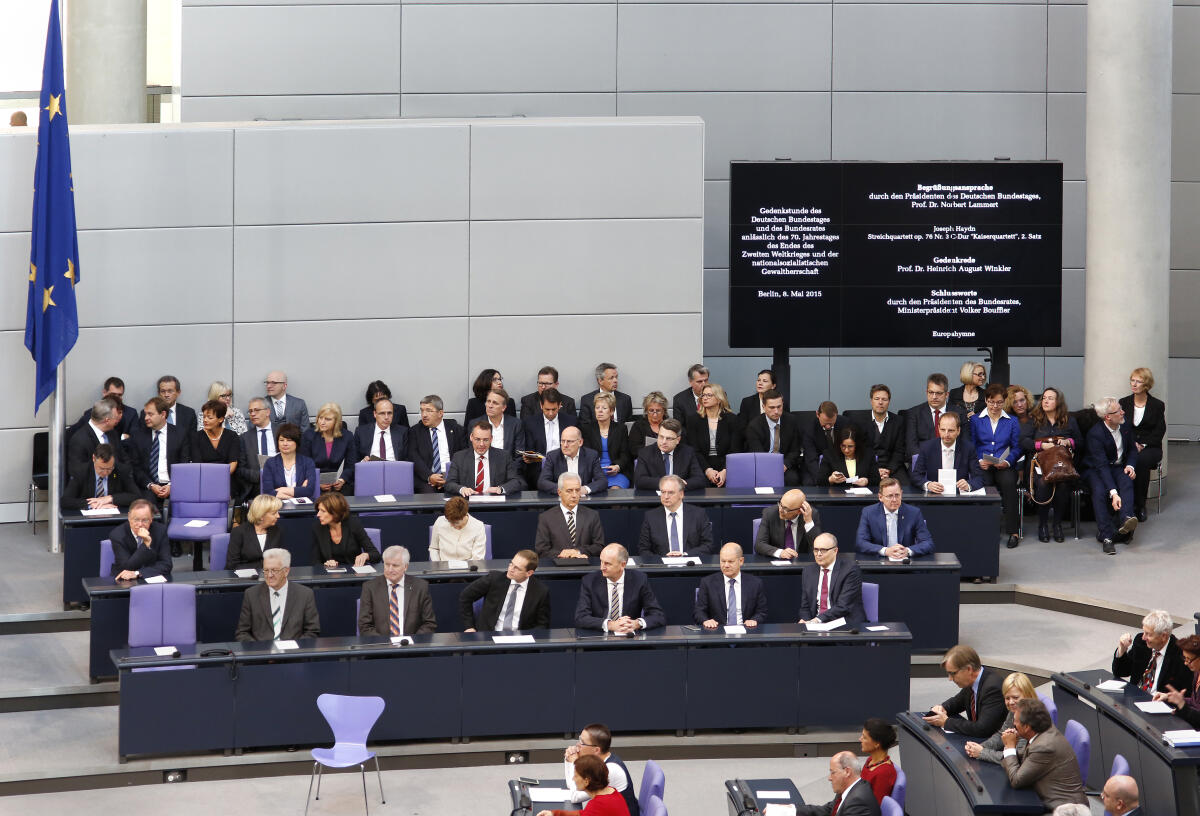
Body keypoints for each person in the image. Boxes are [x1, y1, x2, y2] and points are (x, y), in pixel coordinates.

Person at [1000, 698, 1089, 811]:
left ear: (1027, 727)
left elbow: (1016, 780)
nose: (1013, 724)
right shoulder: (1044, 730)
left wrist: (1010, 746)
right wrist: (1010, 746)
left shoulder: (1044, 747)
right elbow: (1022, 758)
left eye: (1015, 721)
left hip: (1064, 810)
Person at [1020, 386, 1080, 544]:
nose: (1045, 401)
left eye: (1050, 398)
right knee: (1044, 483)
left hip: (1062, 466)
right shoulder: (1033, 419)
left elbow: (1081, 442)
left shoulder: (1069, 420)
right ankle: (1043, 525)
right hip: (1039, 465)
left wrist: (1069, 442)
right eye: (1044, 398)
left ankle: (1057, 524)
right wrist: (1041, 446)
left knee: (1062, 483)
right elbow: (1023, 442)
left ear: (1058, 402)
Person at [1086, 397, 1140, 554]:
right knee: (1100, 491)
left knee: (1126, 481)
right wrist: (1114, 493)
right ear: (1107, 417)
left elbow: (1132, 450)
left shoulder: (1125, 426)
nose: (1123, 412)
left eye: (1121, 408)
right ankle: (1107, 537)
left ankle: (1126, 520)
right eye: (1118, 411)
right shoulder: (1095, 434)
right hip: (1095, 469)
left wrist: (1130, 466)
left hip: (1117, 466)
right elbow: (1101, 466)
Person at [971, 384, 1022, 548]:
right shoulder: (976, 420)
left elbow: (1017, 447)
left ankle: (1013, 531)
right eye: (992, 402)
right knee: (982, 487)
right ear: (986, 400)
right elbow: (972, 445)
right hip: (983, 465)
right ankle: (985, 530)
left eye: (999, 403)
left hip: (1004, 465)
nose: (995, 406)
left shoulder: (1012, 421)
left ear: (1004, 402)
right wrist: (979, 460)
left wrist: (1007, 461)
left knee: (1009, 485)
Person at [574, 543, 665, 632]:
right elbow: (581, 617)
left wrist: (636, 623)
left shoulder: (639, 579)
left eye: (607, 564)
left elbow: (658, 615)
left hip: (630, 637)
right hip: (600, 637)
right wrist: (610, 625)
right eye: (601, 561)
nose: (602, 567)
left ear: (623, 565)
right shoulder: (590, 581)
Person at [234, 548, 320, 641]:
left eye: (274, 570)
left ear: (286, 571)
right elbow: (242, 633)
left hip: (293, 653)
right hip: (263, 652)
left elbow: (312, 631)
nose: (269, 575)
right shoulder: (251, 595)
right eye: (266, 570)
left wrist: (295, 648)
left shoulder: (305, 594)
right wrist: (260, 649)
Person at [923, 644, 1007, 737]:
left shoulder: (992, 688)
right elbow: (956, 703)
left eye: (953, 673)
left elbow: (983, 729)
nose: (950, 679)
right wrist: (941, 708)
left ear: (969, 669)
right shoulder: (971, 682)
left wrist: (946, 722)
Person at [458, 549, 550, 631]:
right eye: (511, 563)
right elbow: (465, 596)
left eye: (517, 568)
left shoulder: (540, 591)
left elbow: (542, 624)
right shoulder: (494, 579)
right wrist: (469, 626)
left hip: (519, 643)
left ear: (529, 573)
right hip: (489, 638)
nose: (510, 569)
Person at [560, 725, 639, 816]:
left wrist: (575, 763)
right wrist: (568, 759)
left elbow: (575, 797)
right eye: (579, 739)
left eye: (582, 742)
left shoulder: (609, 770)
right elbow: (572, 785)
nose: (577, 745)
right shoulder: (597, 763)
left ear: (596, 750)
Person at [357, 545, 436, 636]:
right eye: (387, 564)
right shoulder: (370, 587)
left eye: (395, 565)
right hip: (381, 647)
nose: (390, 569)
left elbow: (429, 624)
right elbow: (364, 626)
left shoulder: (420, 587)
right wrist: (385, 644)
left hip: (411, 647)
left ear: (405, 567)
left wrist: (412, 642)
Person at [1119, 367, 1165, 522]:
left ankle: (1140, 505)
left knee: (1141, 460)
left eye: (1138, 381)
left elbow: (1159, 431)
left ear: (1146, 384)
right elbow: (1121, 428)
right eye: (1132, 380)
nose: (1134, 384)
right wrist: (1133, 444)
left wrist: (1143, 444)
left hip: (1151, 447)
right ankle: (1126, 504)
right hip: (1129, 444)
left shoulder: (1157, 405)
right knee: (1124, 458)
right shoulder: (1123, 403)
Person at [126, 396, 191, 506]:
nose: (146, 418)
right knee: (147, 508)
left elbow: (184, 463)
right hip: (149, 487)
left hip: (174, 485)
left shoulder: (180, 434)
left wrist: (171, 485)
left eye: (150, 414)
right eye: (145, 414)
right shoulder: (138, 436)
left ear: (163, 414)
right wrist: (151, 485)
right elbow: (135, 467)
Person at [1112, 608, 1194, 693]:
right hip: (1133, 697)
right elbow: (1121, 671)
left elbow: (1185, 693)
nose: (1143, 637)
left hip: (1159, 703)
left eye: (1148, 634)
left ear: (1163, 636)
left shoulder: (1181, 655)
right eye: (1144, 632)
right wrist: (1122, 648)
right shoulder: (1141, 643)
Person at [963, 671, 1038, 763]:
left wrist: (982, 752)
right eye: (1007, 698)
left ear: (1027, 695)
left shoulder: (1032, 719)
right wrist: (979, 747)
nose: (1010, 702)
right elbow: (1001, 736)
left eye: (1015, 697)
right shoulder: (1015, 710)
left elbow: (1018, 759)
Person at [855, 477, 935, 558]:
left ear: (901, 494)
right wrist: (886, 551)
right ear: (880, 497)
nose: (894, 499)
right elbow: (861, 543)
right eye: (889, 496)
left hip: (905, 564)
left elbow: (928, 543)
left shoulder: (914, 513)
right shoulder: (869, 512)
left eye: (897, 495)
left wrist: (907, 551)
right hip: (879, 563)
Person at [798, 533, 865, 629]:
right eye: (816, 550)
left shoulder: (850, 570)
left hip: (844, 623)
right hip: (816, 624)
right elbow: (805, 606)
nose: (818, 554)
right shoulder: (808, 571)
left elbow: (843, 606)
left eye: (823, 550)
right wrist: (806, 621)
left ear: (835, 550)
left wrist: (816, 621)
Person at [693, 542, 767, 628]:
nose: (726, 565)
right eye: (723, 561)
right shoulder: (707, 583)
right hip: (718, 632)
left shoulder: (755, 583)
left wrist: (754, 620)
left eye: (730, 561)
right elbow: (698, 612)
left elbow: (762, 612)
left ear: (741, 561)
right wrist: (706, 621)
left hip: (746, 632)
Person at [637, 475, 714, 557]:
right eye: (663, 492)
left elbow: (708, 545)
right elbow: (643, 549)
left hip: (690, 566)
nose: (666, 496)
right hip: (662, 567)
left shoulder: (698, 514)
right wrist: (663, 559)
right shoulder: (651, 517)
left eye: (670, 492)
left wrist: (685, 555)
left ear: (681, 494)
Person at [446, 421, 526, 497]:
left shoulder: (504, 456)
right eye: (477, 439)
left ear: (491, 439)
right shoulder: (459, 457)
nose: (481, 444)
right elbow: (449, 483)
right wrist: (462, 489)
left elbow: (516, 481)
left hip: (495, 504)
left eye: (485, 440)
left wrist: (500, 489)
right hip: (468, 504)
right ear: (471, 437)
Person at [534, 473, 605, 558]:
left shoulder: (592, 515)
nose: (574, 495)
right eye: (569, 491)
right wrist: (562, 554)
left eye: (577, 490)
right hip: (557, 567)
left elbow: (599, 546)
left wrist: (578, 551)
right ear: (559, 492)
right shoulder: (546, 518)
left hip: (585, 567)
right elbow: (541, 550)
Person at [742, 389, 804, 485]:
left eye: (779, 407)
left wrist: (785, 465)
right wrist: (771, 468)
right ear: (764, 407)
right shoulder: (754, 426)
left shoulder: (791, 421)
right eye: (772, 407)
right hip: (762, 465)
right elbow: (758, 454)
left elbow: (795, 450)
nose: (776, 411)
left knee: (793, 479)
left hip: (784, 465)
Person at [911, 412, 983, 494]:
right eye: (943, 430)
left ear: (958, 430)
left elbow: (979, 477)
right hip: (934, 497)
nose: (946, 434)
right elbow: (916, 476)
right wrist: (928, 485)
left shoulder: (968, 448)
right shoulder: (927, 447)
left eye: (951, 430)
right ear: (938, 429)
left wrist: (968, 485)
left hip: (959, 498)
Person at [686, 382, 742, 487]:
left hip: (727, 466)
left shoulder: (732, 419)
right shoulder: (694, 420)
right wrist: (707, 470)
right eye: (703, 395)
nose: (705, 398)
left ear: (719, 398)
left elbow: (735, 449)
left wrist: (725, 470)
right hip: (701, 466)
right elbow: (694, 450)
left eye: (709, 395)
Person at [538, 753, 631, 816]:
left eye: (576, 776)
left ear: (586, 781)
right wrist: (554, 813)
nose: (573, 779)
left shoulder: (598, 804)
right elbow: (584, 814)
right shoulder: (611, 791)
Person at [407, 395, 465, 494]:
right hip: (427, 479)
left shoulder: (455, 429)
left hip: (452, 477)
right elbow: (413, 456)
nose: (424, 415)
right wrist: (430, 476)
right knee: (428, 497)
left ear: (440, 413)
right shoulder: (415, 431)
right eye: (422, 410)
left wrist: (451, 476)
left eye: (429, 410)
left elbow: (463, 454)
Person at [849, 384, 906, 484]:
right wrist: (875, 470)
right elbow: (859, 450)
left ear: (889, 402)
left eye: (884, 399)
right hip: (868, 466)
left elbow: (899, 451)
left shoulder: (898, 421)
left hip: (892, 467)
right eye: (877, 399)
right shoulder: (859, 421)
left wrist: (889, 470)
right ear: (871, 401)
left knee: (906, 486)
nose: (880, 402)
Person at [522, 387, 580, 486]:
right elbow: (529, 448)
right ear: (541, 405)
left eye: (554, 409)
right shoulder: (529, 423)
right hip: (539, 468)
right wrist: (528, 457)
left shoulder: (571, 421)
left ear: (560, 405)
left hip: (566, 465)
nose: (551, 413)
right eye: (547, 409)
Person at [795, 751, 881, 816]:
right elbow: (828, 810)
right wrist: (790, 810)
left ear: (847, 771)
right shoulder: (849, 789)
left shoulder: (858, 802)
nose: (830, 778)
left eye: (833, 772)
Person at [632, 418, 706, 491]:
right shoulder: (645, 452)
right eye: (661, 437)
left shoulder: (687, 453)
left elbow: (700, 479)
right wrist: (669, 484)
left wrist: (680, 485)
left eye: (669, 438)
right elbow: (639, 480)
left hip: (680, 498)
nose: (663, 442)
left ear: (678, 440)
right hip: (654, 499)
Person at [311, 492, 382, 567]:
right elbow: (315, 562)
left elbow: (376, 555)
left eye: (323, 511)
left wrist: (366, 555)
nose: (318, 514)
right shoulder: (318, 528)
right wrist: (326, 565)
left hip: (354, 572)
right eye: (318, 510)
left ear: (335, 512)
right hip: (331, 575)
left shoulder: (353, 524)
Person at [108, 499, 172, 581]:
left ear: (151, 519)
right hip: (125, 581)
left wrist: (138, 573)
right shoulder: (117, 535)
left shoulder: (160, 530)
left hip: (151, 578)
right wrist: (145, 544)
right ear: (129, 517)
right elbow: (126, 567)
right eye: (136, 520)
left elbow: (166, 564)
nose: (140, 524)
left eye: (145, 520)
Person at [61, 444, 140, 511]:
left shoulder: (121, 470)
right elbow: (65, 501)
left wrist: (110, 498)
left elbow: (136, 496)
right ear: (93, 459)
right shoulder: (81, 472)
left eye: (109, 469)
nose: (105, 473)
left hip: (114, 517)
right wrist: (94, 505)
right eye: (101, 468)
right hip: (86, 519)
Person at [905, 372, 965, 460]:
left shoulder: (959, 413)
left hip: (952, 460)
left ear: (946, 394)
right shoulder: (914, 413)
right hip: (923, 461)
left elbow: (965, 442)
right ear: (926, 392)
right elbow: (911, 445)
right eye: (931, 392)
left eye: (938, 393)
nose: (934, 397)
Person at [581, 392, 633, 489]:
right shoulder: (588, 429)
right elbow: (586, 454)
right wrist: (596, 469)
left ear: (611, 411)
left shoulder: (621, 428)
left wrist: (617, 466)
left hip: (616, 473)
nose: (600, 411)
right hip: (595, 473)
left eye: (604, 408)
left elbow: (625, 453)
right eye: (597, 408)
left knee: (615, 496)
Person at [303, 402, 357, 493]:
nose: (322, 422)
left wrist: (342, 480)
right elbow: (305, 465)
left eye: (327, 419)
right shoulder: (309, 435)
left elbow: (351, 465)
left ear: (336, 421)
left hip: (339, 483)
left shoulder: (347, 436)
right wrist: (317, 483)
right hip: (315, 481)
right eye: (320, 418)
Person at [538, 425, 608, 494]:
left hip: (583, 499)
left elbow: (602, 481)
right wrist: (565, 490)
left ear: (580, 442)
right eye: (562, 441)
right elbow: (542, 482)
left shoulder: (591, 455)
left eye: (569, 441)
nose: (565, 445)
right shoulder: (553, 456)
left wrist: (585, 489)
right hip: (561, 499)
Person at [753, 488, 821, 559]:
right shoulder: (770, 513)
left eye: (785, 509)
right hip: (776, 564)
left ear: (799, 511)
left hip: (801, 564)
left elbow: (819, 547)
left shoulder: (811, 515)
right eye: (780, 504)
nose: (780, 510)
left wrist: (808, 522)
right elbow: (759, 545)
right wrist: (780, 552)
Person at [67, 397, 123, 478]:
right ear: (107, 420)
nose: (117, 419)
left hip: (116, 483)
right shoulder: (79, 439)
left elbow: (123, 459)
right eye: (115, 417)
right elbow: (77, 471)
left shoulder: (112, 434)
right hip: (92, 487)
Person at [1152, 633, 1200, 728]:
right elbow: (1195, 702)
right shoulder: (1197, 672)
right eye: (1184, 658)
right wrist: (1169, 696)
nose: (1185, 663)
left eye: (1189, 659)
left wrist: (1182, 705)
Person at [68, 376, 138, 440]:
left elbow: (135, 438)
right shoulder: (91, 413)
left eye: (119, 395)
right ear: (104, 392)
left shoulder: (131, 413)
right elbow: (72, 434)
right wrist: (123, 436)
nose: (116, 398)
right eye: (113, 394)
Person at [261, 423, 318, 501]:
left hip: (303, 507)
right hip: (277, 506)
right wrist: (296, 493)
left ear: (297, 442)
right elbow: (268, 492)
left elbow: (309, 490)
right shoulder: (270, 463)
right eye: (281, 440)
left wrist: (281, 490)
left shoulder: (308, 462)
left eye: (289, 440)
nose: (285, 444)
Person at [227, 494, 283, 570]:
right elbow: (232, 565)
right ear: (261, 516)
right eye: (274, 513)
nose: (278, 516)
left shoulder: (276, 531)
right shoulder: (239, 532)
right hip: (244, 578)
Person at [468, 387, 527, 459]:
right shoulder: (475, 424)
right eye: (488, 401)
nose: (490, 406)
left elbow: (519, 456)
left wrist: (510, 469)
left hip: (509, 468)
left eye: (495, 403)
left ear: (503, 407)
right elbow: (472, 454)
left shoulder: (516, 424)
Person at [802, 401, 850, 485]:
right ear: (817, 414)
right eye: (825, 422)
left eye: (831, 423)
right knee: (809, 483)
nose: (828, 426)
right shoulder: (809, 429)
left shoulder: (846, 424)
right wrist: (823, 479)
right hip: (817, 466)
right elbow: (811, 459)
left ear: (836, 415)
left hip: (839, 465)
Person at [429, 495, 489, 561]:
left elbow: (477, 558)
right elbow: (434, 548)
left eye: (456, 523)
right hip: (443, 568)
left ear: (465, 515)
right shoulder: (440, 522)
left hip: (468, 568)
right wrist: (438, 566)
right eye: (449, 522)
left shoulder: (478, 526)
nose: (451, 525)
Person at [191, 400, 240, 477]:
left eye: (209, 417)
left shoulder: (232, 436)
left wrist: (221, 477)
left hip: (227, 477)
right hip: (204, 477)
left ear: (220, 419)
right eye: (204, 417)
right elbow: (197, 464)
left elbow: (233, 462)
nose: (205, 420)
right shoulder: (196, 437)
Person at [354, 398, 408, 464]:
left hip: (395, 471)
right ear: (375, 414)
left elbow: (407, 459)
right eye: (382, 413)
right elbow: (353, 460)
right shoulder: (361, 432)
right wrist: (363, 462)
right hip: (370, 471)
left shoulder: (402, 432)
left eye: (389, 413)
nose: (386, 417)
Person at [858, 718, 898, 805]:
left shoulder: (884, 773)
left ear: (877, 744)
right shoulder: (870, 761)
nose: (860, 739)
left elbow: (874, 808)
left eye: (864, 737)